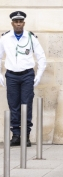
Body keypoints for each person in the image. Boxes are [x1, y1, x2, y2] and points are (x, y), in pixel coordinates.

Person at [0, 11, 46, 147]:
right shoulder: (5, 38)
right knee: (13, 105)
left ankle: (25, 135)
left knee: (26, 104)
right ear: (12, 23)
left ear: (24, 23)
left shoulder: (31, 38)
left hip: (27, 75)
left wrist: (39, 75)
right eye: (16, 22)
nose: (18, 24)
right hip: (12, 75)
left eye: (20, 21)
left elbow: (41, 57)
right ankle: (16, 135)